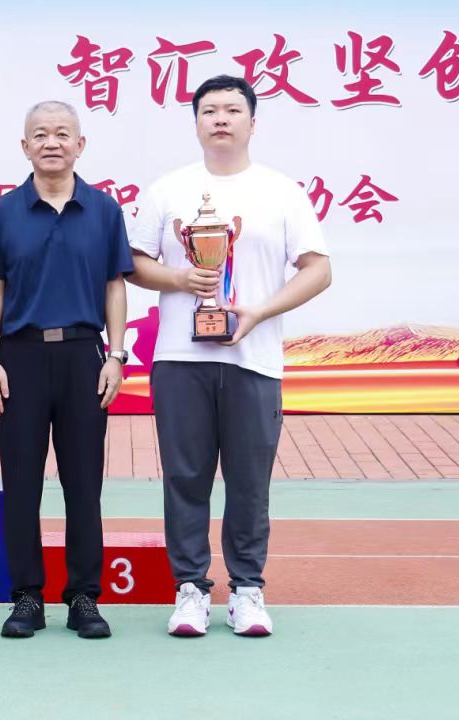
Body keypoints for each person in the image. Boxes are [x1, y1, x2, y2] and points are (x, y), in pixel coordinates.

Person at [127, 75, 331, 637]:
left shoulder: (280, 191)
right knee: (185, 478)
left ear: (252, 123)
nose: (221, 118)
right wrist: (180, 278)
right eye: (210, 110)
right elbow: (134, 263)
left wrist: (260, 312)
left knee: (249, 482)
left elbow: (318, 269)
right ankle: (191, 589)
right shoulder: (168, 190)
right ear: (196, 123)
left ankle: (247, 590)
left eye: (232, 110)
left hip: (253, 359)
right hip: (180, 358)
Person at [0, 101, 134, 639]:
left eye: (63, 134)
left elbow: (115, 285)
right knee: (20, 483)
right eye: (40, 134)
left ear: (80, 145)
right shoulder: (2, 213)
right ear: (25, 147)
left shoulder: (104, 210)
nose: (52, 143)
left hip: (84, 357)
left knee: (83, 483)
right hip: (19, 358)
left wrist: (116, 354)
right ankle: (26, 597)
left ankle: (84, 597)